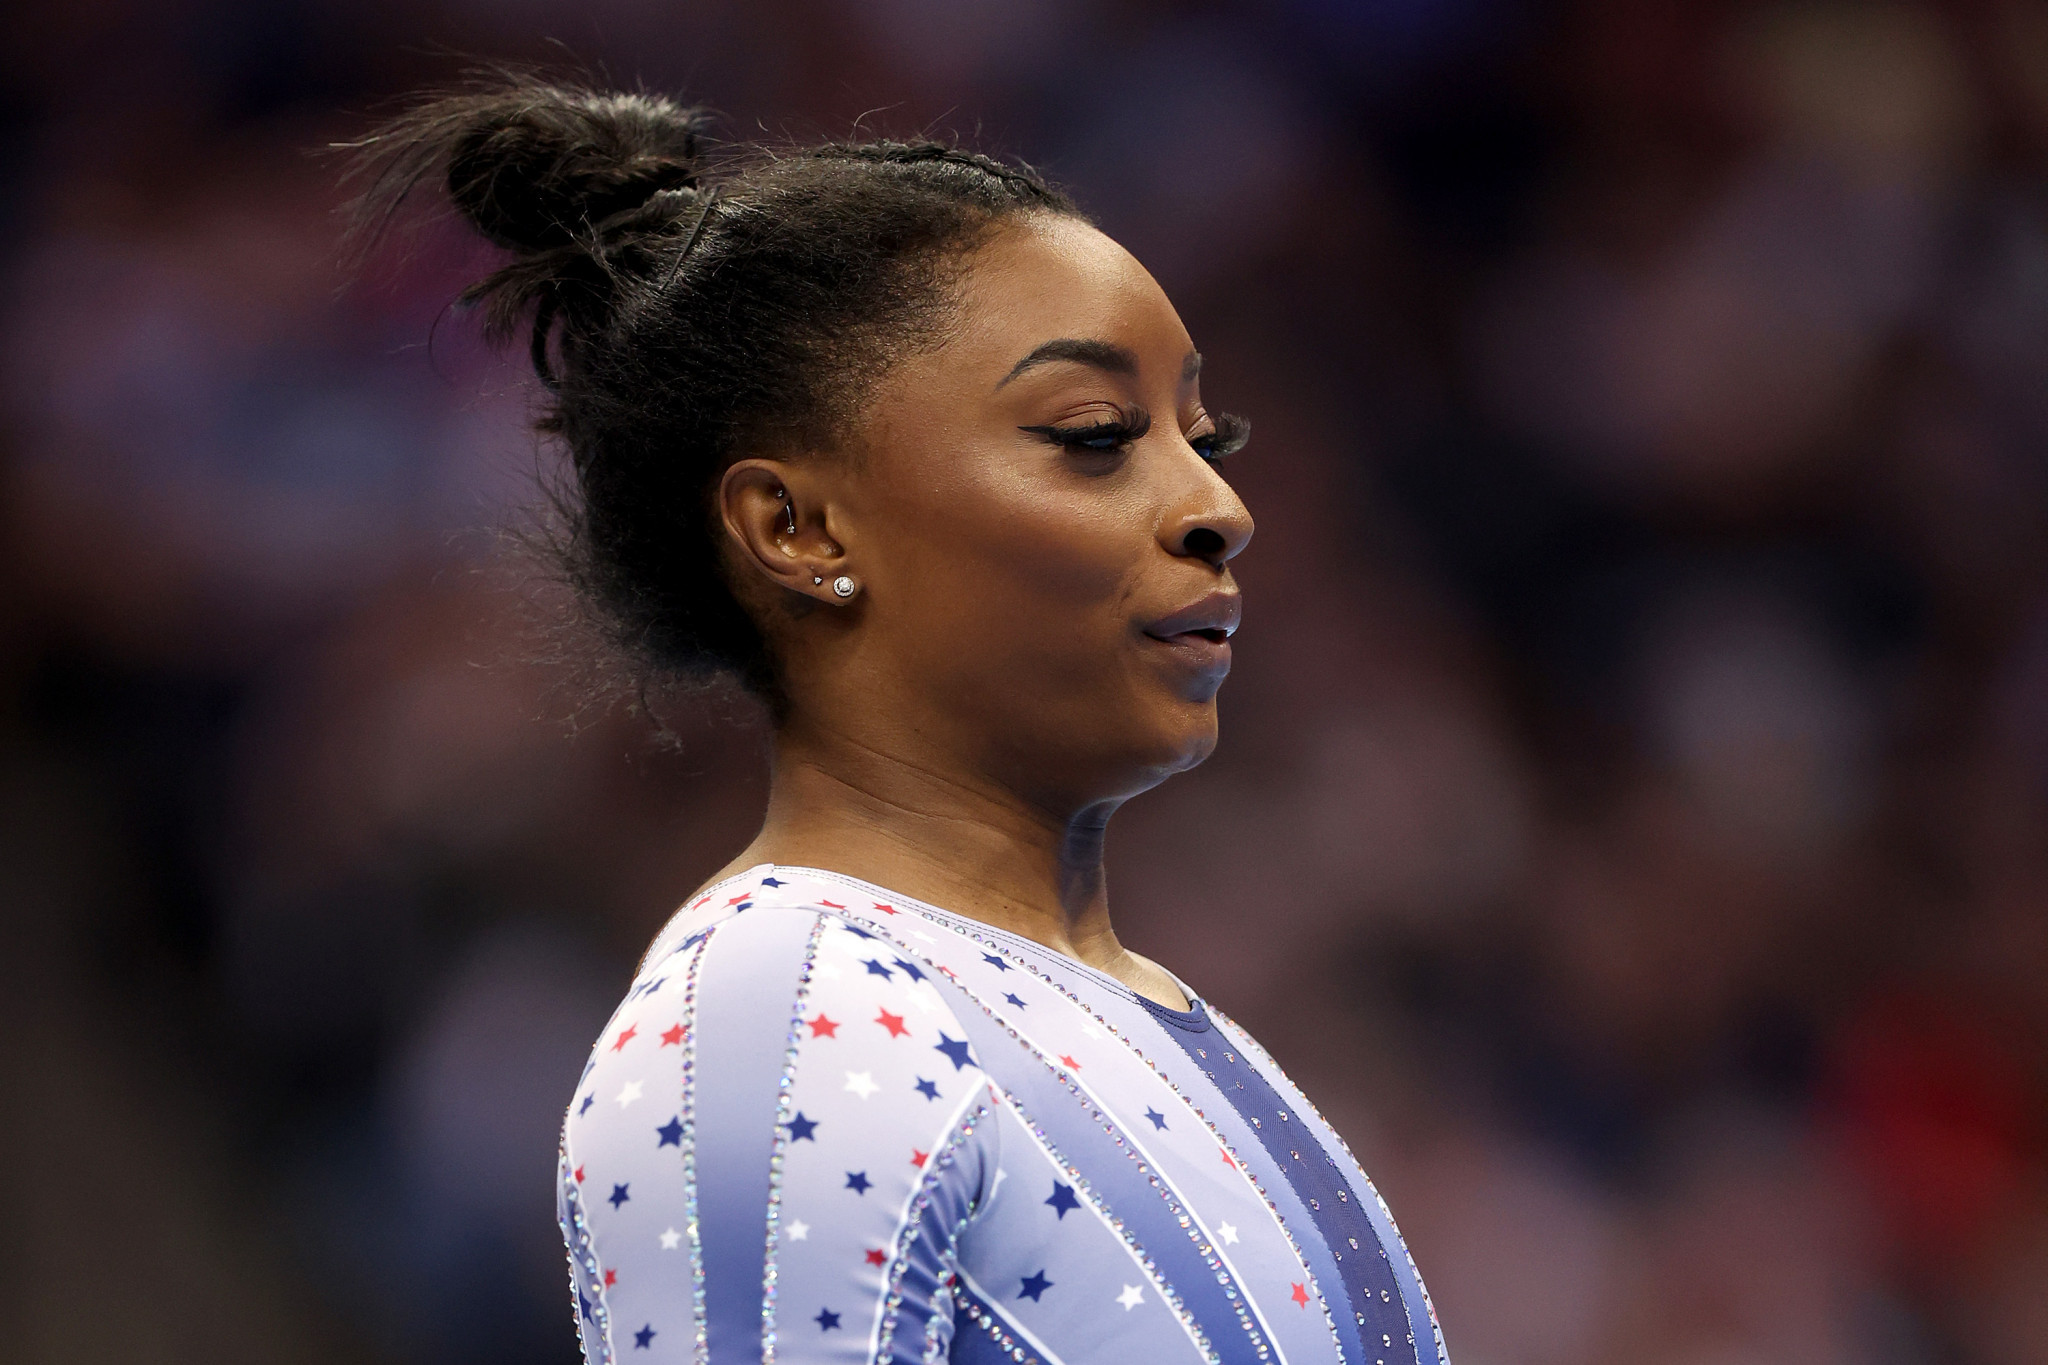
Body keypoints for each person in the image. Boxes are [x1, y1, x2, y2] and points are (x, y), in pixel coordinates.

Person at [352, 76, 1448, 1365]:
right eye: (1095, 434)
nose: (1220, 504)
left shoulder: (1150, 1021)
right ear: (798, 528)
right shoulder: (787, 1019)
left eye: (1208, 434)